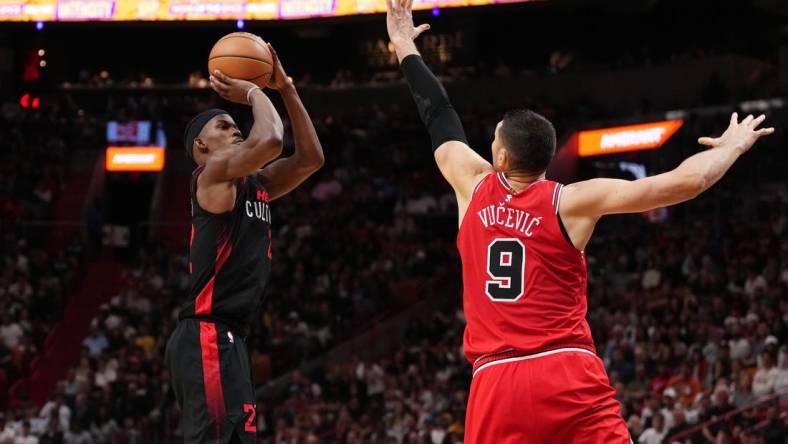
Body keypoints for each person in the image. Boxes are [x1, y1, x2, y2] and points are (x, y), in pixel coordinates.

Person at [384, 0, 774, 441]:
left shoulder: (471, 185)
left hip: (496, 379)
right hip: (567, 370)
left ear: (502, 156)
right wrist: (733, 146)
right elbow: (685, 182)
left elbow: (439, 113)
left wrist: (403, 46)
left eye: (493, 140)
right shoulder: (571, 201)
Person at [165, 43, 324, 444]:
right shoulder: (211, 175)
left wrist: (285, 87)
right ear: (201, 147)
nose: (235, 127)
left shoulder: (257, 185)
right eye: (222, 126)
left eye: (233, 123)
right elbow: (270, 140)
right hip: (206, 335)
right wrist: (255, 92)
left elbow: (311, 158)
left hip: (229, 338)